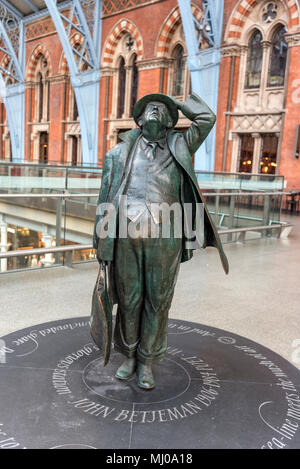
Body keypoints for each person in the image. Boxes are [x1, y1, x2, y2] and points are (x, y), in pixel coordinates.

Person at [93, 92, 228, 390]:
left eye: (161, 110)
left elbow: (207, 118)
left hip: (166, 236)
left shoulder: (180, 144)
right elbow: (105, 197)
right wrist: (101, 243)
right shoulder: (117, 154)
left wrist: (176, 103)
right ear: (139, 120)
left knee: (158, 302)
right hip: (126, 236)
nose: (155, 111)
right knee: (129, 301)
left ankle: (147, 361)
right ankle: (128, 356)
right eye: (148, 109)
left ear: (169, 122)